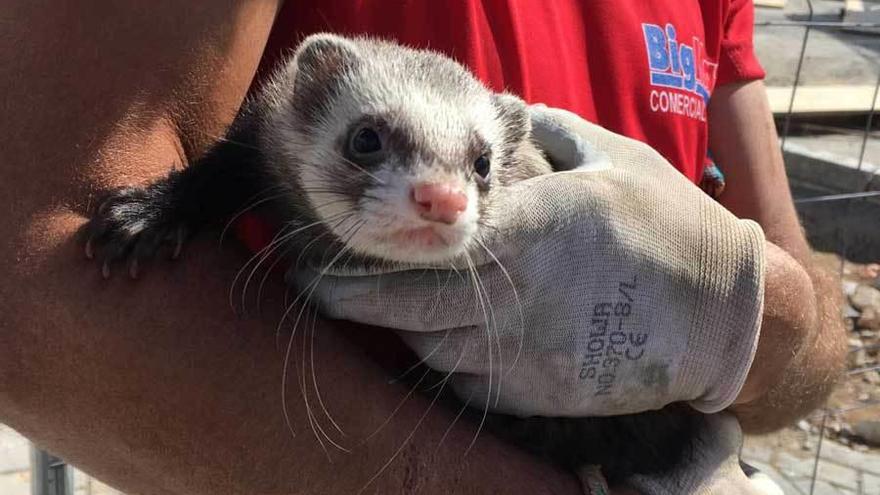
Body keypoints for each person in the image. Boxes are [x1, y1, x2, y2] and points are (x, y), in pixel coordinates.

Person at [0, 1, 845, 494]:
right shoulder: (270, 128)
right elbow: (36, 271)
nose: (444, 196)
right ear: (313, 97)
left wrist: (767, 323)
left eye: (478, 168)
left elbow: (811, 342)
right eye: (370, 146)